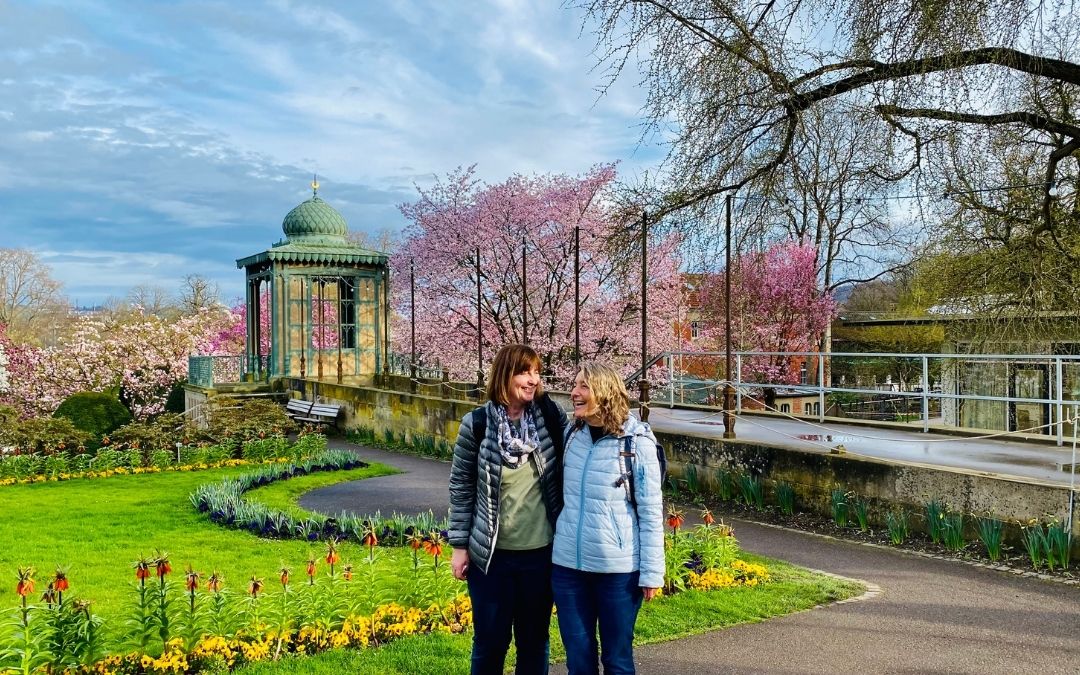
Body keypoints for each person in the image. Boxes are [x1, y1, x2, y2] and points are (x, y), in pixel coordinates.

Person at [448, 344, 568, 675]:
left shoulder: (549, 416)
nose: (534, 379)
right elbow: (461, 487)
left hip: (540, 555)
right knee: (490, 642)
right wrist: (459, 546)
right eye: (525, 372)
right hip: (492, 558)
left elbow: (585, 436)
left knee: (534, 641)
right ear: (505, 374)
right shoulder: (478, 424)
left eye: (537, 372)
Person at [551, 361, 664, 675]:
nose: (574, 392)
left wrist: (652, 573)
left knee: (617, 660)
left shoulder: (637, 444)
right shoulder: (571, 435)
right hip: (568, 569)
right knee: (578, 660)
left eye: (583, 386)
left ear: (605, 392)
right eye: (575, 385)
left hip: (618, 572)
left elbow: (652, 512)